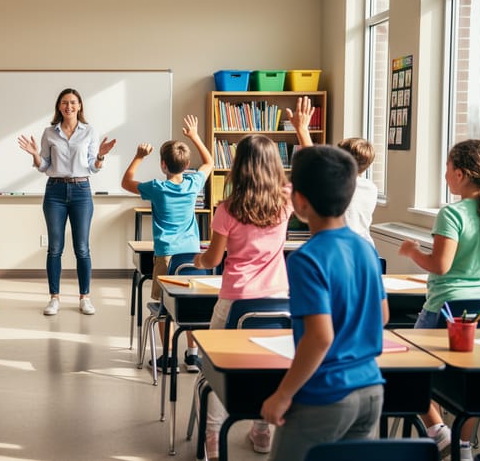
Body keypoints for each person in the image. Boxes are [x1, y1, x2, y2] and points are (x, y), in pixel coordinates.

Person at [259, 145, 388, 461]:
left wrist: (282, 394)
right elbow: (382, 315)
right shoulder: (366, 249)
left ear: (299, 201)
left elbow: (319, 337)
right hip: (371, 389)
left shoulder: (307, 258)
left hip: (326, 393)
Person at [398, 139, 480, 461]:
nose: (445, 175)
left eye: (448, 168)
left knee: (407, 368)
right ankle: (463, 445)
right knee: (476, 377)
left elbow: (441, 265)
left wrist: (413, 252)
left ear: (462, 174)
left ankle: (439, 432)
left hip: (448, 309)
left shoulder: (452, 213)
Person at [191, 130, 296, 458]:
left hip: (236, 300)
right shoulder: (287, 201)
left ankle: (213, 436)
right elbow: (312, 167)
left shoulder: (227, 208)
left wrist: (199, 259)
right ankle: (262, 430)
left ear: (239, 166)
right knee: (271, 366)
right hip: (280, 302)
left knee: (214, 369)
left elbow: (213, 260)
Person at [121, 115, 214, 373]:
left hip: (166, 257)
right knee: (192, 305)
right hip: (192, 256)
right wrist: (194, 135)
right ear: (186, 165)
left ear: (163, 165)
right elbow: (209, 161)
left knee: (165, 308)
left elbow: (126, 182)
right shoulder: (195, 182)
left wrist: (139, 156)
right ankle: (193, 356)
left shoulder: (157, 187)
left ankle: (169, 358)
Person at [17, 88, 116, 316]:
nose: (68, 106)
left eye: (73, 102)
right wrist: (34, 154)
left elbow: (93, 167)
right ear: (59, 106)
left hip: (82, 190)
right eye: (64, 102)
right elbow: (44, 166)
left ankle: (85, 297)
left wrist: (100, 155)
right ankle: (54, 298)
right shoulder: (49, 132)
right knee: (55, 248)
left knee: (82, 248)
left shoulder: (89, 131)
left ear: (79, 106)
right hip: (55, 191)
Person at [293, 97, 377, 245]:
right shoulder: (371, 188)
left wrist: (302, 129)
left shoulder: (337, 185)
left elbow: (315, 163)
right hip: (366, 247)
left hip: (338, 247)